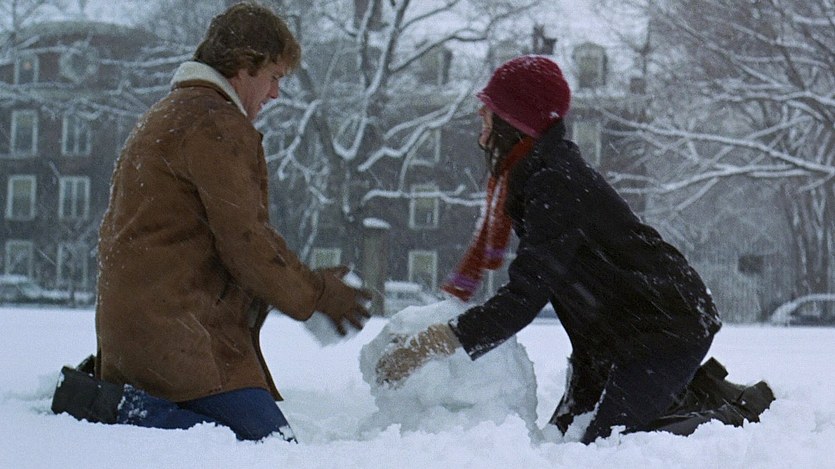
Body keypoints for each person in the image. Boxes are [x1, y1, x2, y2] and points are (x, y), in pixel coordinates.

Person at [375, 55, 774, 443]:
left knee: (606, 446)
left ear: (514, 121)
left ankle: (728, 416)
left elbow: (526, 296)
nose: (482, 117)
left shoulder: (556, 183)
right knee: (560, 442)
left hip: (667, 327)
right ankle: (680, 393)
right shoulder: (534, 177)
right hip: (609, 339)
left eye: (490, 110)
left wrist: (433, 344)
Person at [51, 2, 371, 442]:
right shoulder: (215, 122)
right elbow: (246, 243)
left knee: (245, 444)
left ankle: (128, 406)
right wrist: (317, 294)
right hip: (181, 341)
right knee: (267, 450)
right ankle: (123, 412)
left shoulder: (169, 113)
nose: (276, 93)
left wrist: (302, 288)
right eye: (274, 76)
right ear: (244, 65)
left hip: (142, 335)